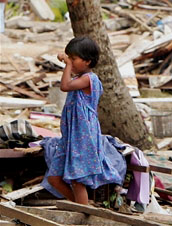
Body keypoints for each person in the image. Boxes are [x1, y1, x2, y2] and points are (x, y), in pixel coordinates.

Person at [47, 37, 123, 204]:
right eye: (70, 58)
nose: (71, 62)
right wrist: (69, 64)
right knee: (54, 178)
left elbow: (64, 86)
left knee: (77, 179)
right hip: (70, 138)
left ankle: (82, 211)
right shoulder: (79, 78)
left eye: (74, 59)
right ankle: (83, 206)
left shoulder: (89, 79)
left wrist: (67, 66)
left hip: (82, 136)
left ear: (88, 61)